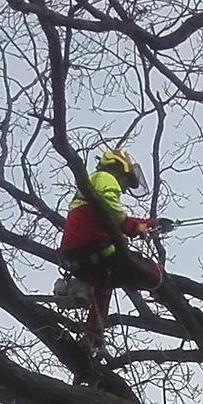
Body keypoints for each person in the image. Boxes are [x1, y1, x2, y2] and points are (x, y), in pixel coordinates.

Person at [56, 145, 161, 370]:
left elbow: (115, 216)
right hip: (93, 247)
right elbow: (114, 212)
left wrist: (150, 224)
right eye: (125, 180)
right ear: (119, 169)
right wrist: (132, 228)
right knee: (148, 270)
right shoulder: (105, 178)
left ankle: (92, 334)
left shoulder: (95, 181)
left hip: (79, 251)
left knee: (104, 287)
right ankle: (161, 287)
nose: (123, 187)